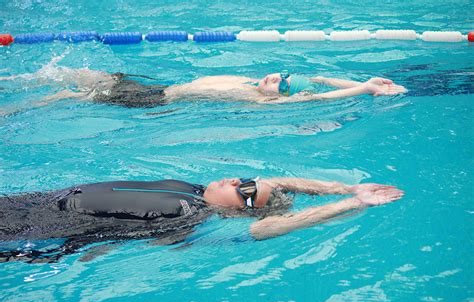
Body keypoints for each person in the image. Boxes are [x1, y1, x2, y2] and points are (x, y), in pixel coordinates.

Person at [0, 176, 403, 263]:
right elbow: (275, 183)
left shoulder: (193, 217)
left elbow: (268, 225)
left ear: (236, 209)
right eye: (247, 176)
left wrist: (353, 205)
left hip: (37, 229)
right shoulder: (195, 189)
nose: (238, 179)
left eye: (243, 188)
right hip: (38, 199)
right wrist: (344, 188)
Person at [0, 57, 407, 110]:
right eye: (280, 74)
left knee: (68, 93)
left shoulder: (262, 102)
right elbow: (316, 79)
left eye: (281, 85)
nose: (275, 79)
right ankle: (14, 81)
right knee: (81, 73)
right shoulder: (254, 81)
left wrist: (362, 89)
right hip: (156, 84)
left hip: (152, 102)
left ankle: (13, 107)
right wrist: (363, 76)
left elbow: (318, 93)